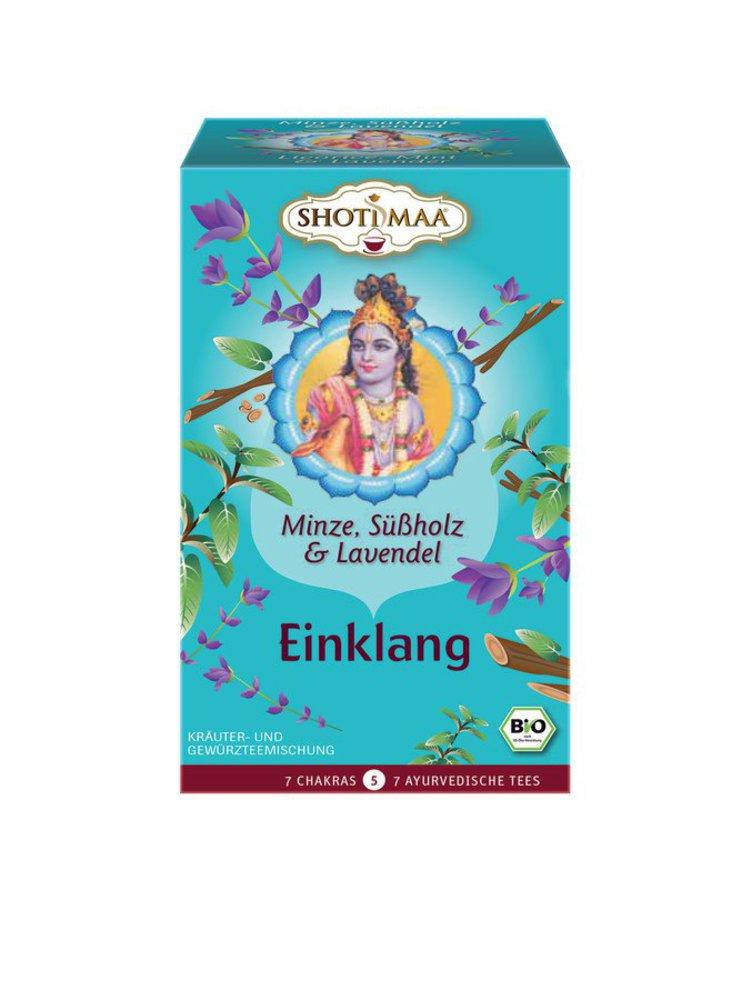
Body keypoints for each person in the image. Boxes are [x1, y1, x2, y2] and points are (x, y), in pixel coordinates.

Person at [293, 274, 435, 476]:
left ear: (400, 357)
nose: (366, 356)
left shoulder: (411, 406)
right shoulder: (328, 396)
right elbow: (308, 459)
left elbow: (424, 466)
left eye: (380, 346)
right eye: (358, 346)